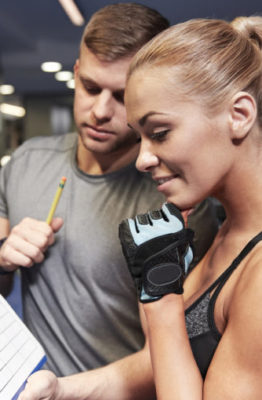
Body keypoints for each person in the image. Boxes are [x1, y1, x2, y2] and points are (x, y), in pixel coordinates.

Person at [4, 4, 218, 400]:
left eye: (121, 96)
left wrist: (62, 391)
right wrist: (3, 256)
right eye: (89, 87)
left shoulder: (181, 205)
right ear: (75, 73)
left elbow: (167, 355)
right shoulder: (26, 162)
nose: (100, 111)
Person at [122, 15, 262, 399]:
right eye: (140, 138)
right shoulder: (230, 230)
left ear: (239, 115)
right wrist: (61, 390)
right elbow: (167, 360)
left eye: (160, 133)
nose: (142, 159)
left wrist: (161, 303)